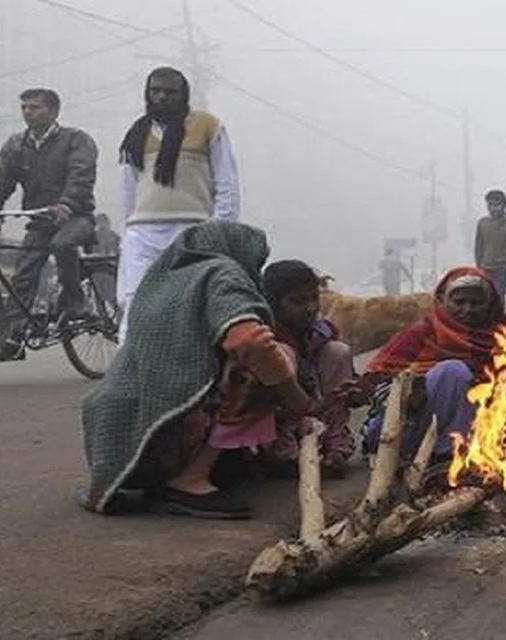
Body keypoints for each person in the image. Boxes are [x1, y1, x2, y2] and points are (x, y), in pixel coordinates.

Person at [80, 221, 319, 519]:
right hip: (166, 433)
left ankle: (200, 471)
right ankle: (189, 480)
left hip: (118, 443)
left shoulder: (163, 280)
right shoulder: (222, 273)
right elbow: (249, 341)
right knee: (267, 359)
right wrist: (300, 402)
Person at [352, 266, 506, 464]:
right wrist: (409, 391)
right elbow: (378, 376)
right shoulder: (422, 333)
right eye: (459, 302)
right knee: (453, 371)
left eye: (476, 303)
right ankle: (446, 456)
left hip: (472, 430)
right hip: (404, 431)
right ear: (442, 301)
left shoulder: (499, 337)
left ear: (490, 305)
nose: (467, 309)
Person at [117, 67, 241, 343]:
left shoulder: (207, 126)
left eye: (169, 92)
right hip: (142, 233)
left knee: (191, 306)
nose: (161, 97)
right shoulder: (136, 134)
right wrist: (126, 235)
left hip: (192, 230)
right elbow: (128, 191)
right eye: (154, 91)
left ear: (183, 94)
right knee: (135, 306)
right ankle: (127, 377)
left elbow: (227, 183)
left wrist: (220, 230)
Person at [0, 88, 98, 359]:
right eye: (24, 108)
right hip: (40, 222)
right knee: (23, 275)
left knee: (62, 243)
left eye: (34, 107)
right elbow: (2, 183)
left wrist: (67, 203)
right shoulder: (16, 146)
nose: (27, 112)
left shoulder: (76, 140)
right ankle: (14, 334)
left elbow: (81, 175)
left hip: (77, 218)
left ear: (53, 112)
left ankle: (76, 302)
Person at [263, 259, 356, 476]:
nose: (310, 308)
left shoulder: (319, 332)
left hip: (316, 413)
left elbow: (342, 388)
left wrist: (356, 392)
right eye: (298, 301)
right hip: (279, 419)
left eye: (314, 298)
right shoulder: (263, 336)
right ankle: (284, 454)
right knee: (281, 355)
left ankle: (333, 443)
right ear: (273, 303)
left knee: (338, 352)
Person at [475, 189, 506, 298]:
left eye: (497, 205)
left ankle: (497, 314)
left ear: (504, 205)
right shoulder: (483, 223)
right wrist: (479, 266)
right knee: (486, 295)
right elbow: (479, 246)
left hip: (505, 268)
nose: (493, 208)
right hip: (486, 267)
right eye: (490, 205)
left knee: (498, 294)